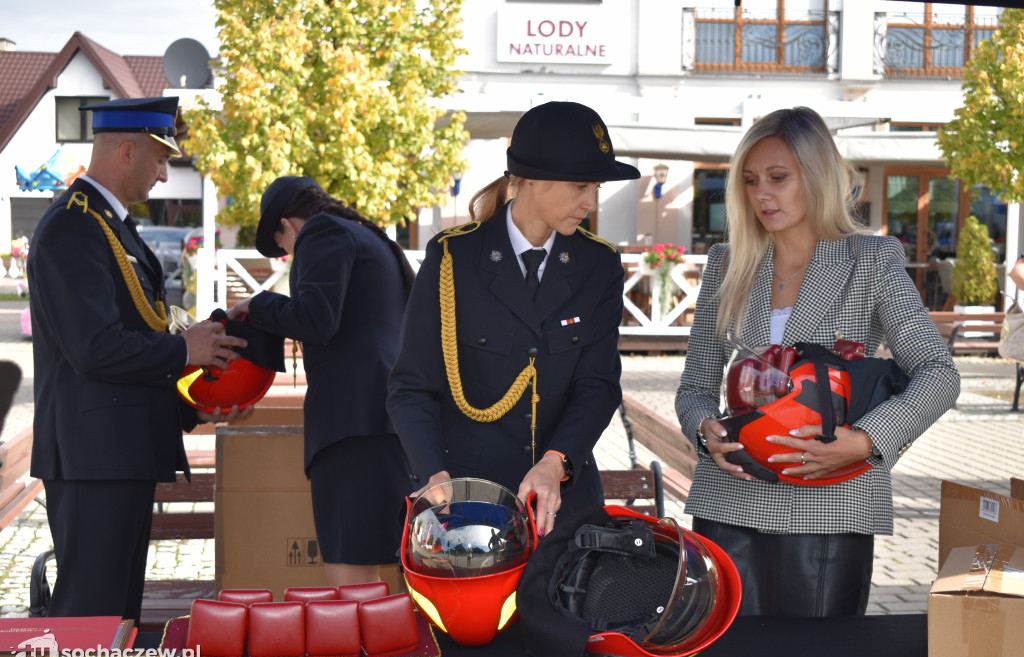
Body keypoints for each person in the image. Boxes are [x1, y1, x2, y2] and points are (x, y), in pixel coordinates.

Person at [675, 106, 960, 617]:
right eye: (751, 181)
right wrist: (704, 431)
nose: (762, 194)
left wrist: (866, 441)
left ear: (818, 175)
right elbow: (695, 386)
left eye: (778, 178)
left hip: (831, 504)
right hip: (729, 499)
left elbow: (938, 375)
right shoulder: (727, 263)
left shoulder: (870, 260)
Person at [28, 96, 250, 623]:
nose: (165, 175)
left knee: (116, 617)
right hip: (92, 456)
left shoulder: (109, 225)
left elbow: (137, 334)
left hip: (116, 451)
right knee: (89, 614)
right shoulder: (74, 226)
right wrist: (184, 349)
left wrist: (194, 404)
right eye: (160, 159)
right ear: (127, 151)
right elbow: (94, 347)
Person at [387, 101, 639, 536]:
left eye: (594, 187)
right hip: (466, 505)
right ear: (531, 180)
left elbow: (597, 384)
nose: (591, 201)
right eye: (581, 185)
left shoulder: (599, 265)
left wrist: (555, 461)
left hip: (561, 505)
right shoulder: (453, 258)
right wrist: (432, 474)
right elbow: (411, 387)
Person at [228, 176, 415, 586]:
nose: (289, 254)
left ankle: (361, 653)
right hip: (394, 420)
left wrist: (254, 305)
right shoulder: (372, 238)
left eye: (284, 246)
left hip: (352, 422)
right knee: (398, 559)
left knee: (351, 566)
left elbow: (316, 319)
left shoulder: (321, 232)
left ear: (288, 225)